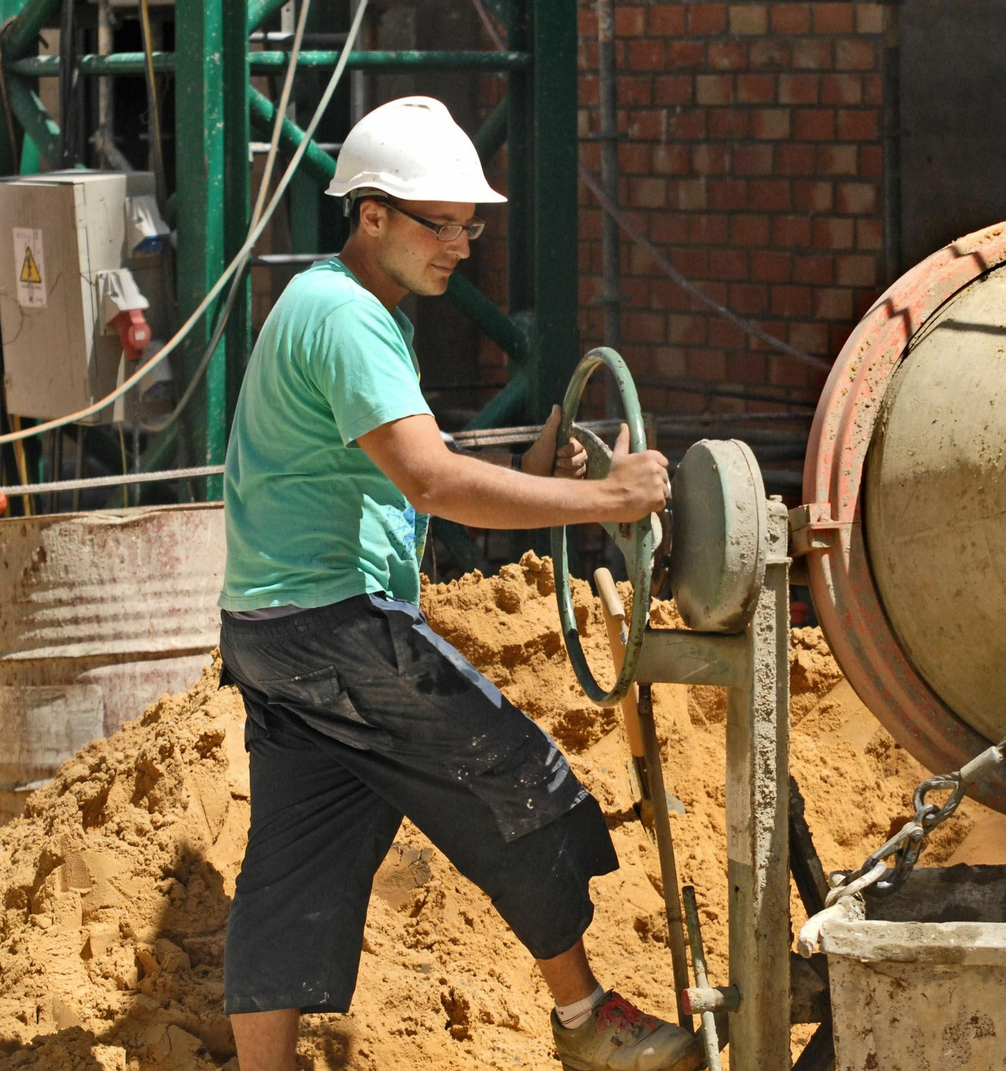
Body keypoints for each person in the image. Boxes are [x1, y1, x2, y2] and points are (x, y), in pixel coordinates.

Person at [215, 96, 699, 1071]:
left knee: (292, 862)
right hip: (337, 629)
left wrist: (535, 468)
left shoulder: (323, 302)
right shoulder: (350, 320)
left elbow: (412, 471)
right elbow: (433, 480)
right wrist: (607, 503)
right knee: (524, 785)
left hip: (268, 636)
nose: (460, 246)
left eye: (469, 225)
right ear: (372, 214)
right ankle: (584, 1023)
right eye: (439, 223)